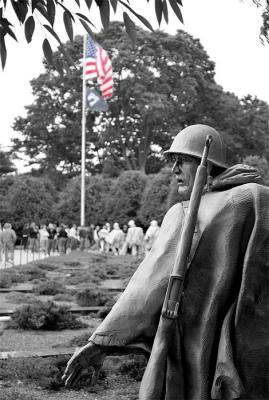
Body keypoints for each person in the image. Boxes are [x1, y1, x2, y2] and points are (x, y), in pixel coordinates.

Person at [63, 125, 269, 400]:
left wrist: (99, 343)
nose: (173, 170)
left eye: (181, 160)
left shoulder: (185, 213)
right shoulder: (258, 198)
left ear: (205, 164)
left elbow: (148, 287)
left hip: (200, 353)